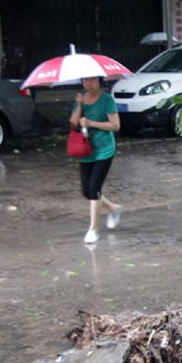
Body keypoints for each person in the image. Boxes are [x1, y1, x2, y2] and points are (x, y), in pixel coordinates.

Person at [69, 76, 122, 243]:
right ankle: (113, 208)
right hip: (86, 150)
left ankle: (93, 229)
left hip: (104, 149)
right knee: (87, 191)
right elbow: (73, 123)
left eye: (92, 80)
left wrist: (92, 123)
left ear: (99, 81)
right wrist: (79, 105)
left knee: (94, 187)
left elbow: (115, 125)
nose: (88, 83)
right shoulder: (81, 99)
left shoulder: (107, 100)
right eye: (85, 81)